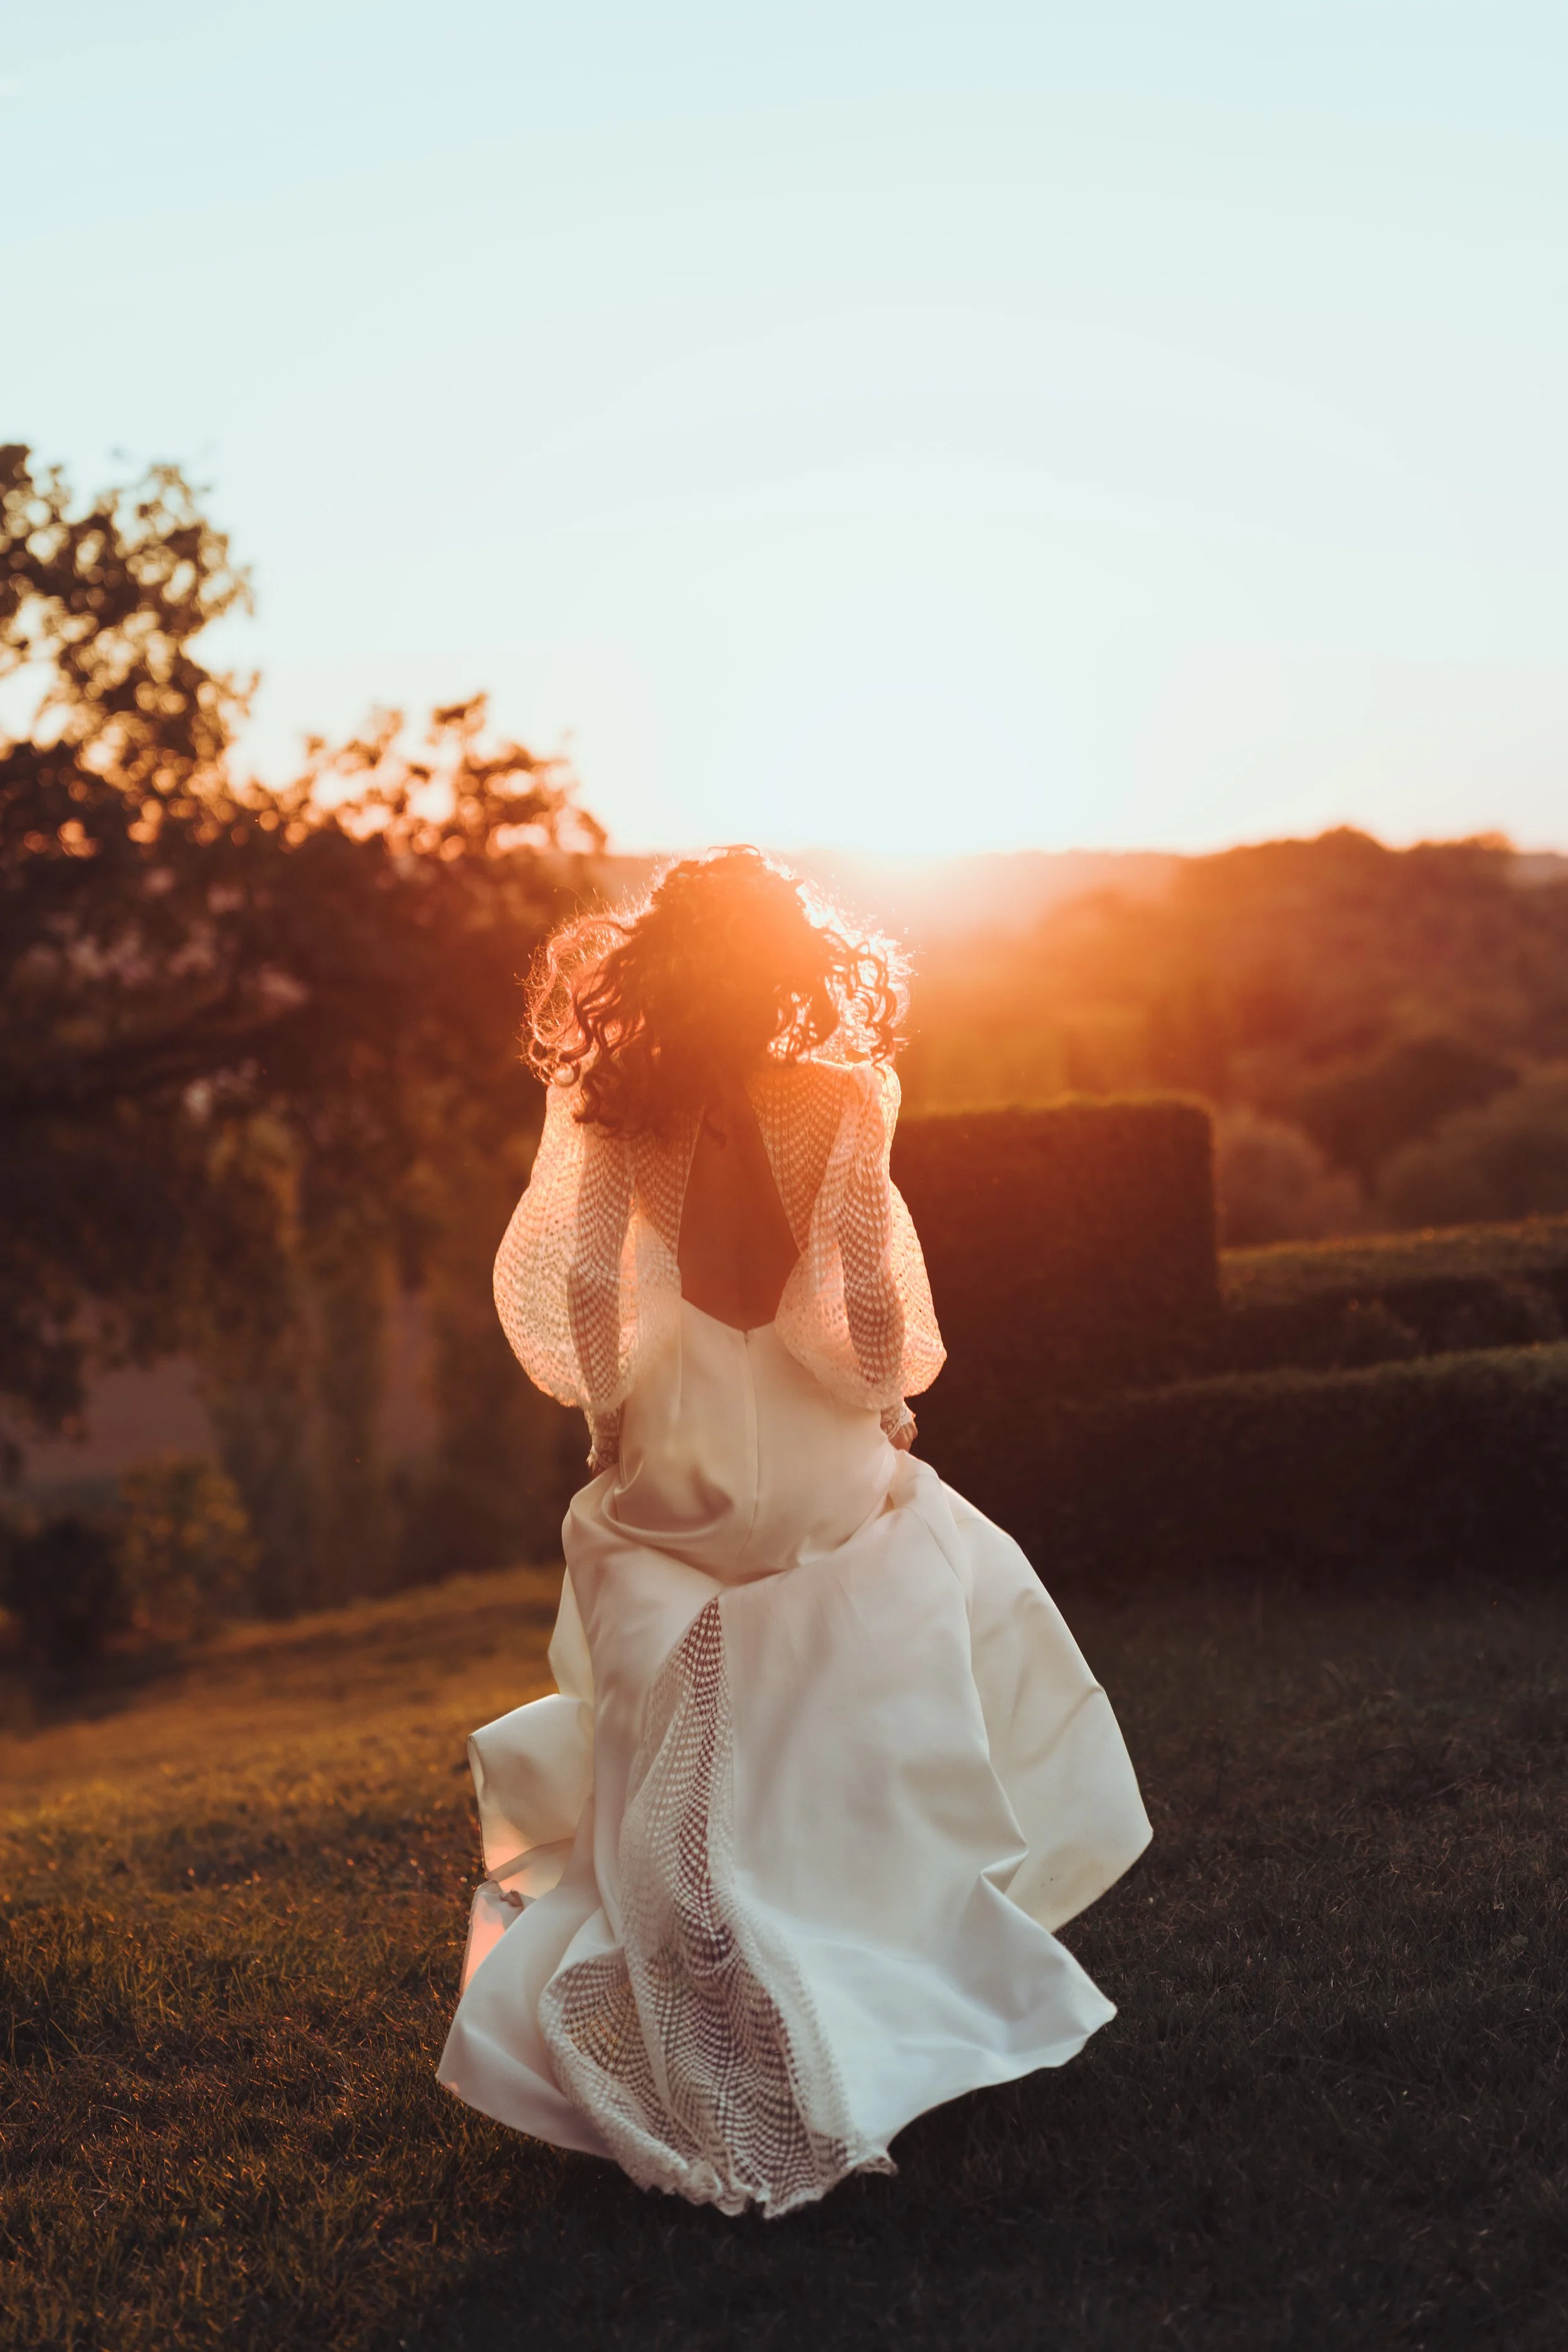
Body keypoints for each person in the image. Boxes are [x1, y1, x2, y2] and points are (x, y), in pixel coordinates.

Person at [437, 846, 1150, 2217]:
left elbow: (590, 1284)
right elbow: (867, 1293)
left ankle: (714, 1921)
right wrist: (883, 1412)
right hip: (813, 1442)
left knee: (666, 1609)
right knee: (924, 1559)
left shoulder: (614, 1105)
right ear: (788, 969)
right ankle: (885, 1917)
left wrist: (605, 1431)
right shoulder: (836, 1097)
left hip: (680, 1438)